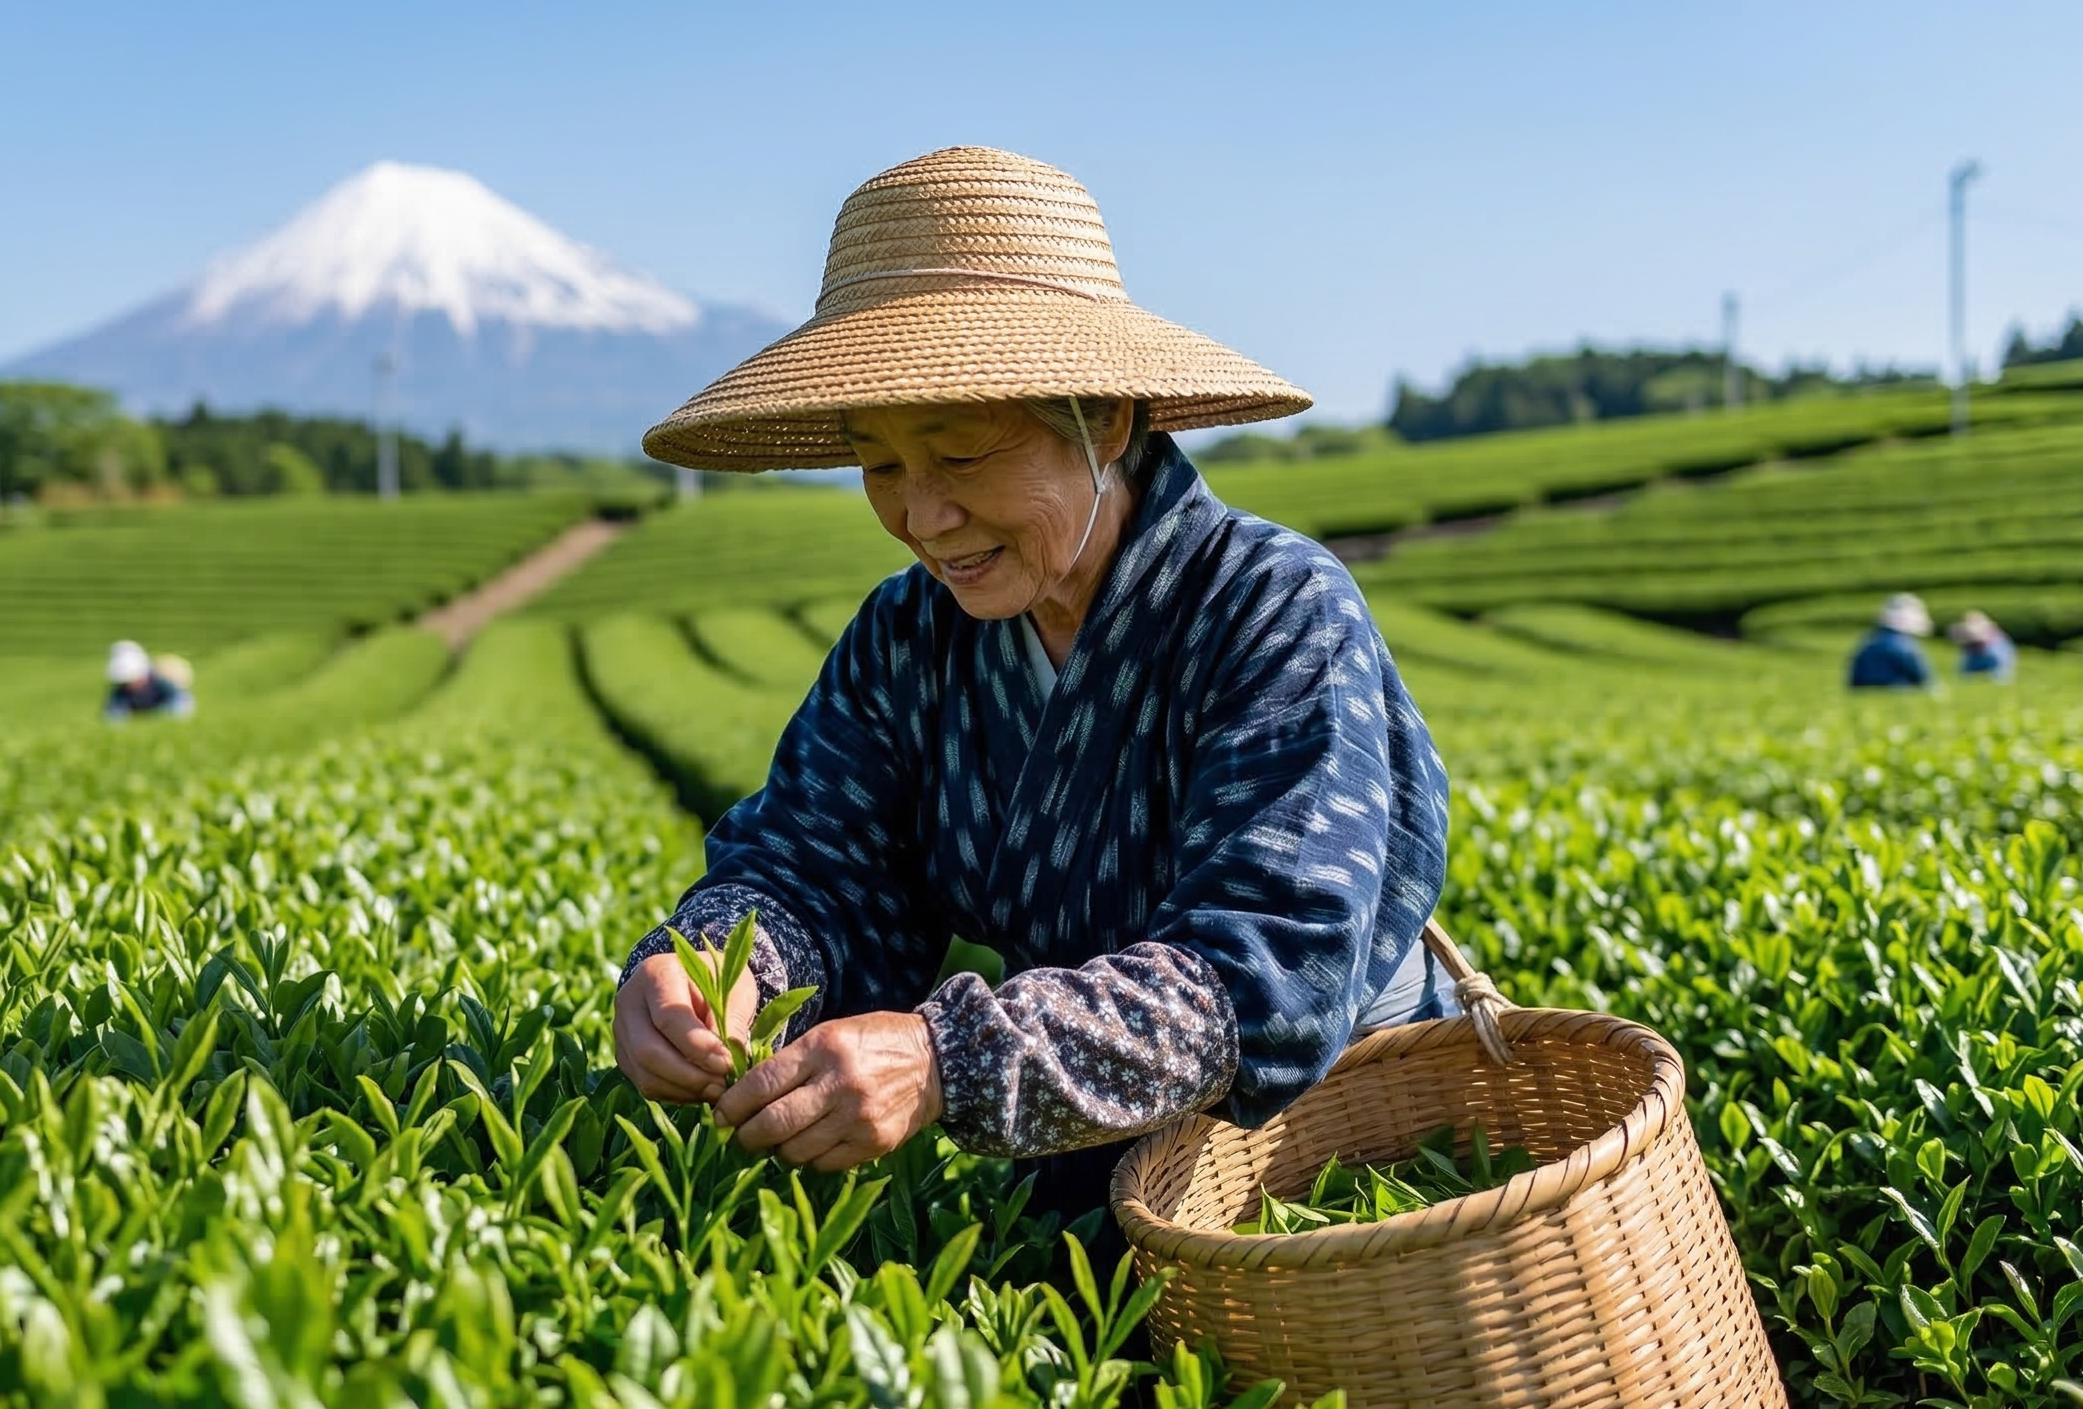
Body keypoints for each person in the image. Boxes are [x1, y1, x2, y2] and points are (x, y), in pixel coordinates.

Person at [609, 147, 1455, 1242]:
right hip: (1069, 1171)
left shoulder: (1271, 610)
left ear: (1102, 419)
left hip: (1327, 1175)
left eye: (958, 455)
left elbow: (1268, 971)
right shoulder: (904, 638)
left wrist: (948, 1062)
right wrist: (715, 966)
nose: (921, 518)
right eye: (879, 466)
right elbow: (819, 865)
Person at [1848, 594, 1936, 690]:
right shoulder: (1905, 645)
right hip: (1898, 691)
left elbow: (1854, 679)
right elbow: (1923, 678)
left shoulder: (1868, 642)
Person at [102, 639, 188, 720]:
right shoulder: (122, 693)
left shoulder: (159, 682)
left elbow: (178, 700)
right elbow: (113, 710)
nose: (128, 686)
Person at [1948, 610, 2015, 682]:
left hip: (1994, 658)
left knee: (1999, 671)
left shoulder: (1992, 632)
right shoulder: (1965, 631)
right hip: (1974, 658)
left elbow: (1983, 639)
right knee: (1965, 671)